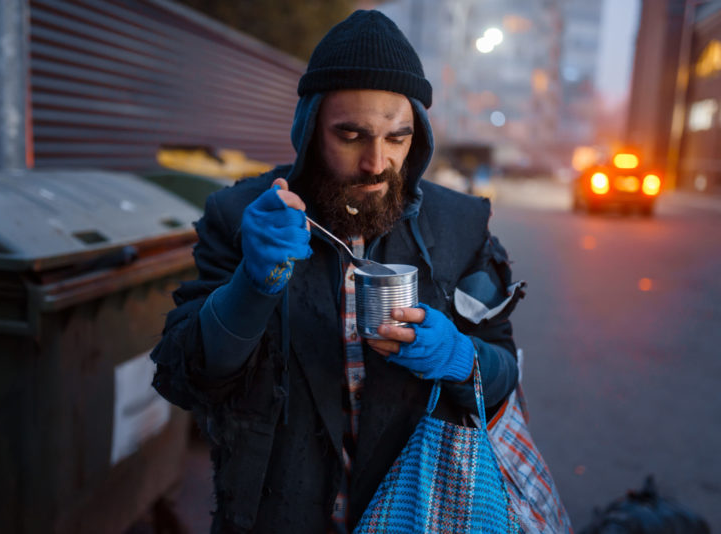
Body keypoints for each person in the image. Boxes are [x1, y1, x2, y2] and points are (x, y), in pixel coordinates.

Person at [151, 9, 525, 533]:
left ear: (417, 137)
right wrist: (250, 288)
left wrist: (460, 359)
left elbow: (506, 376)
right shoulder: (243, 218)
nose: (376, 162)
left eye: (396, 138)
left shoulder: (460, 227)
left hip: (419, 515)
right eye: (351, 136)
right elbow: (184, 377)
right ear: (309, 131)